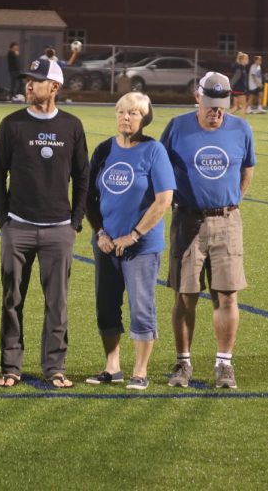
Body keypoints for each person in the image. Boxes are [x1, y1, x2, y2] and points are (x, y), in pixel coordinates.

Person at [0, 58, 89, 389]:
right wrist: (4, 221)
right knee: (12, 299)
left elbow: (83, 178)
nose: (29, 85)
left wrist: (74, 222)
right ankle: (11, 366)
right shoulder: (12, 124)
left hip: (59, 229)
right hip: (17, 227)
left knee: (56, 303)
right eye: (27, 80)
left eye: (37, 80)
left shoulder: (72, 126)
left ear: (55, 87)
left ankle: (54, 366)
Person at [160, 72, 255, 389]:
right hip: (187, 220)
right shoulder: (177, 127)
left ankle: (224, 365)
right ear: (197, 97)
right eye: (211, 104)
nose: (216, 111)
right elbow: (159, 167)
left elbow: (247, 169)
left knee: (226, 296)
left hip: (227, 222)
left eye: (222, 105)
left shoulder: (241, 128)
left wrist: (231, 204)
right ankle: (183, 362)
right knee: (185, 296)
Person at [84, 92, 175, 390]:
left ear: (144, 119)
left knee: (141, 307)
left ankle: (140, 370)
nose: (126, 117)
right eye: (122, 112)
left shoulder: (154, 151)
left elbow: (163, 201)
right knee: (106, 306)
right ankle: (112, 367)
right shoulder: (103, 150)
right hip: (107, 245)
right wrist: (101, 233)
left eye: (133, 113)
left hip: (141, 248)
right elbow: (89, 198)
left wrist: (134, 235)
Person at [230, 52, 249, 117]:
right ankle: (243, 124)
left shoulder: (241, 68)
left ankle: (223, 118)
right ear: (242, 60)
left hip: (237, 89)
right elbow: (235, 79)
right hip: (239, 90)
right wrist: (229, 86)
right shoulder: (240, 68)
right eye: (246, 59)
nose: (247, 60)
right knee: (244, 106)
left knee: (236, 107)